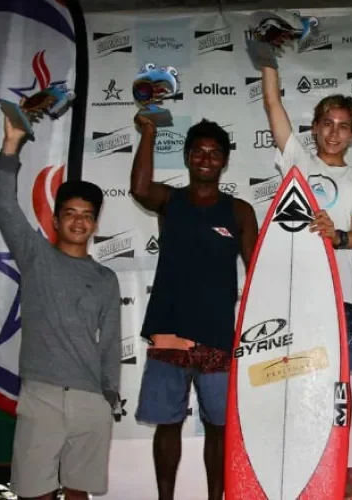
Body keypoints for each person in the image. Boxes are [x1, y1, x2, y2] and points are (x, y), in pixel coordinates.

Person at [260, 64, 352, 500]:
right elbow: (273, 103)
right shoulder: (298, 161)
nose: (334, 133)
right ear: (314, 127)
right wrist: (268, 59)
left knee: (337, 393)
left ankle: (333, 472)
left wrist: (338, 234)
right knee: (285, 387)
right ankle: (288, 476)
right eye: (327, 124)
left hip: (338, 301)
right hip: (291, 301)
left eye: (344, 127)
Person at [0, 114, 122, 500]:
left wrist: (109, 397)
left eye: (87, 215)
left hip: (90, 403)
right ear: (55, 219)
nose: (79, 221)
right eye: (71, 213)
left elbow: (111, 343)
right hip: (41, 396)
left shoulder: (105, 278)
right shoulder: (35, 256)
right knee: (34, 493)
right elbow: (2, 204)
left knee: (79, 494)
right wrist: (11, 145)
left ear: (95, 224)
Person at [130, 113, 259, 500]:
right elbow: (138, 189)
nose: (206, 159)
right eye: (198, 152)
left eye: (214, 153)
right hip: (169, 330)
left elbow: (256, 272)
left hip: (218, 335)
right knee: (168, 425)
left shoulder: (239, 212)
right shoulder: (170, 201)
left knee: (219, 427)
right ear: (187, 157)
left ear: (224, 161)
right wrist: (149, 133)